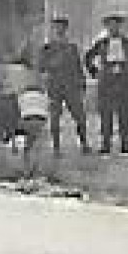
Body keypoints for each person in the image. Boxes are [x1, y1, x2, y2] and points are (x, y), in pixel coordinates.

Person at [84, 13, 128, 154]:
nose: (113, 28)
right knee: (105, 112)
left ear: (120, 26)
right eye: (110, 25)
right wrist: (95, 72)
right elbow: (88, 57)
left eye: (116, 25)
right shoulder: (101, 43)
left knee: (125, 112)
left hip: (124, 79)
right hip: (107, 80)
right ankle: (106, 143)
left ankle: (125, 142)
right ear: (107, 27)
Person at [36, 15, 90, 156]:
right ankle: (56, 148)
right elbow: (41, 67)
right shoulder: (47, 48)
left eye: (62, 27)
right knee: (55, 118)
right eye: (57, 27)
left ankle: (84, 144)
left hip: (71, 86)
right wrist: (52, 65)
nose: (59, 30)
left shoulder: (72, 48)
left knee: (80, 116)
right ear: (53, 30)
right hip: (55, 87)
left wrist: (82, 83)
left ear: (66, 30)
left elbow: (78, 67)